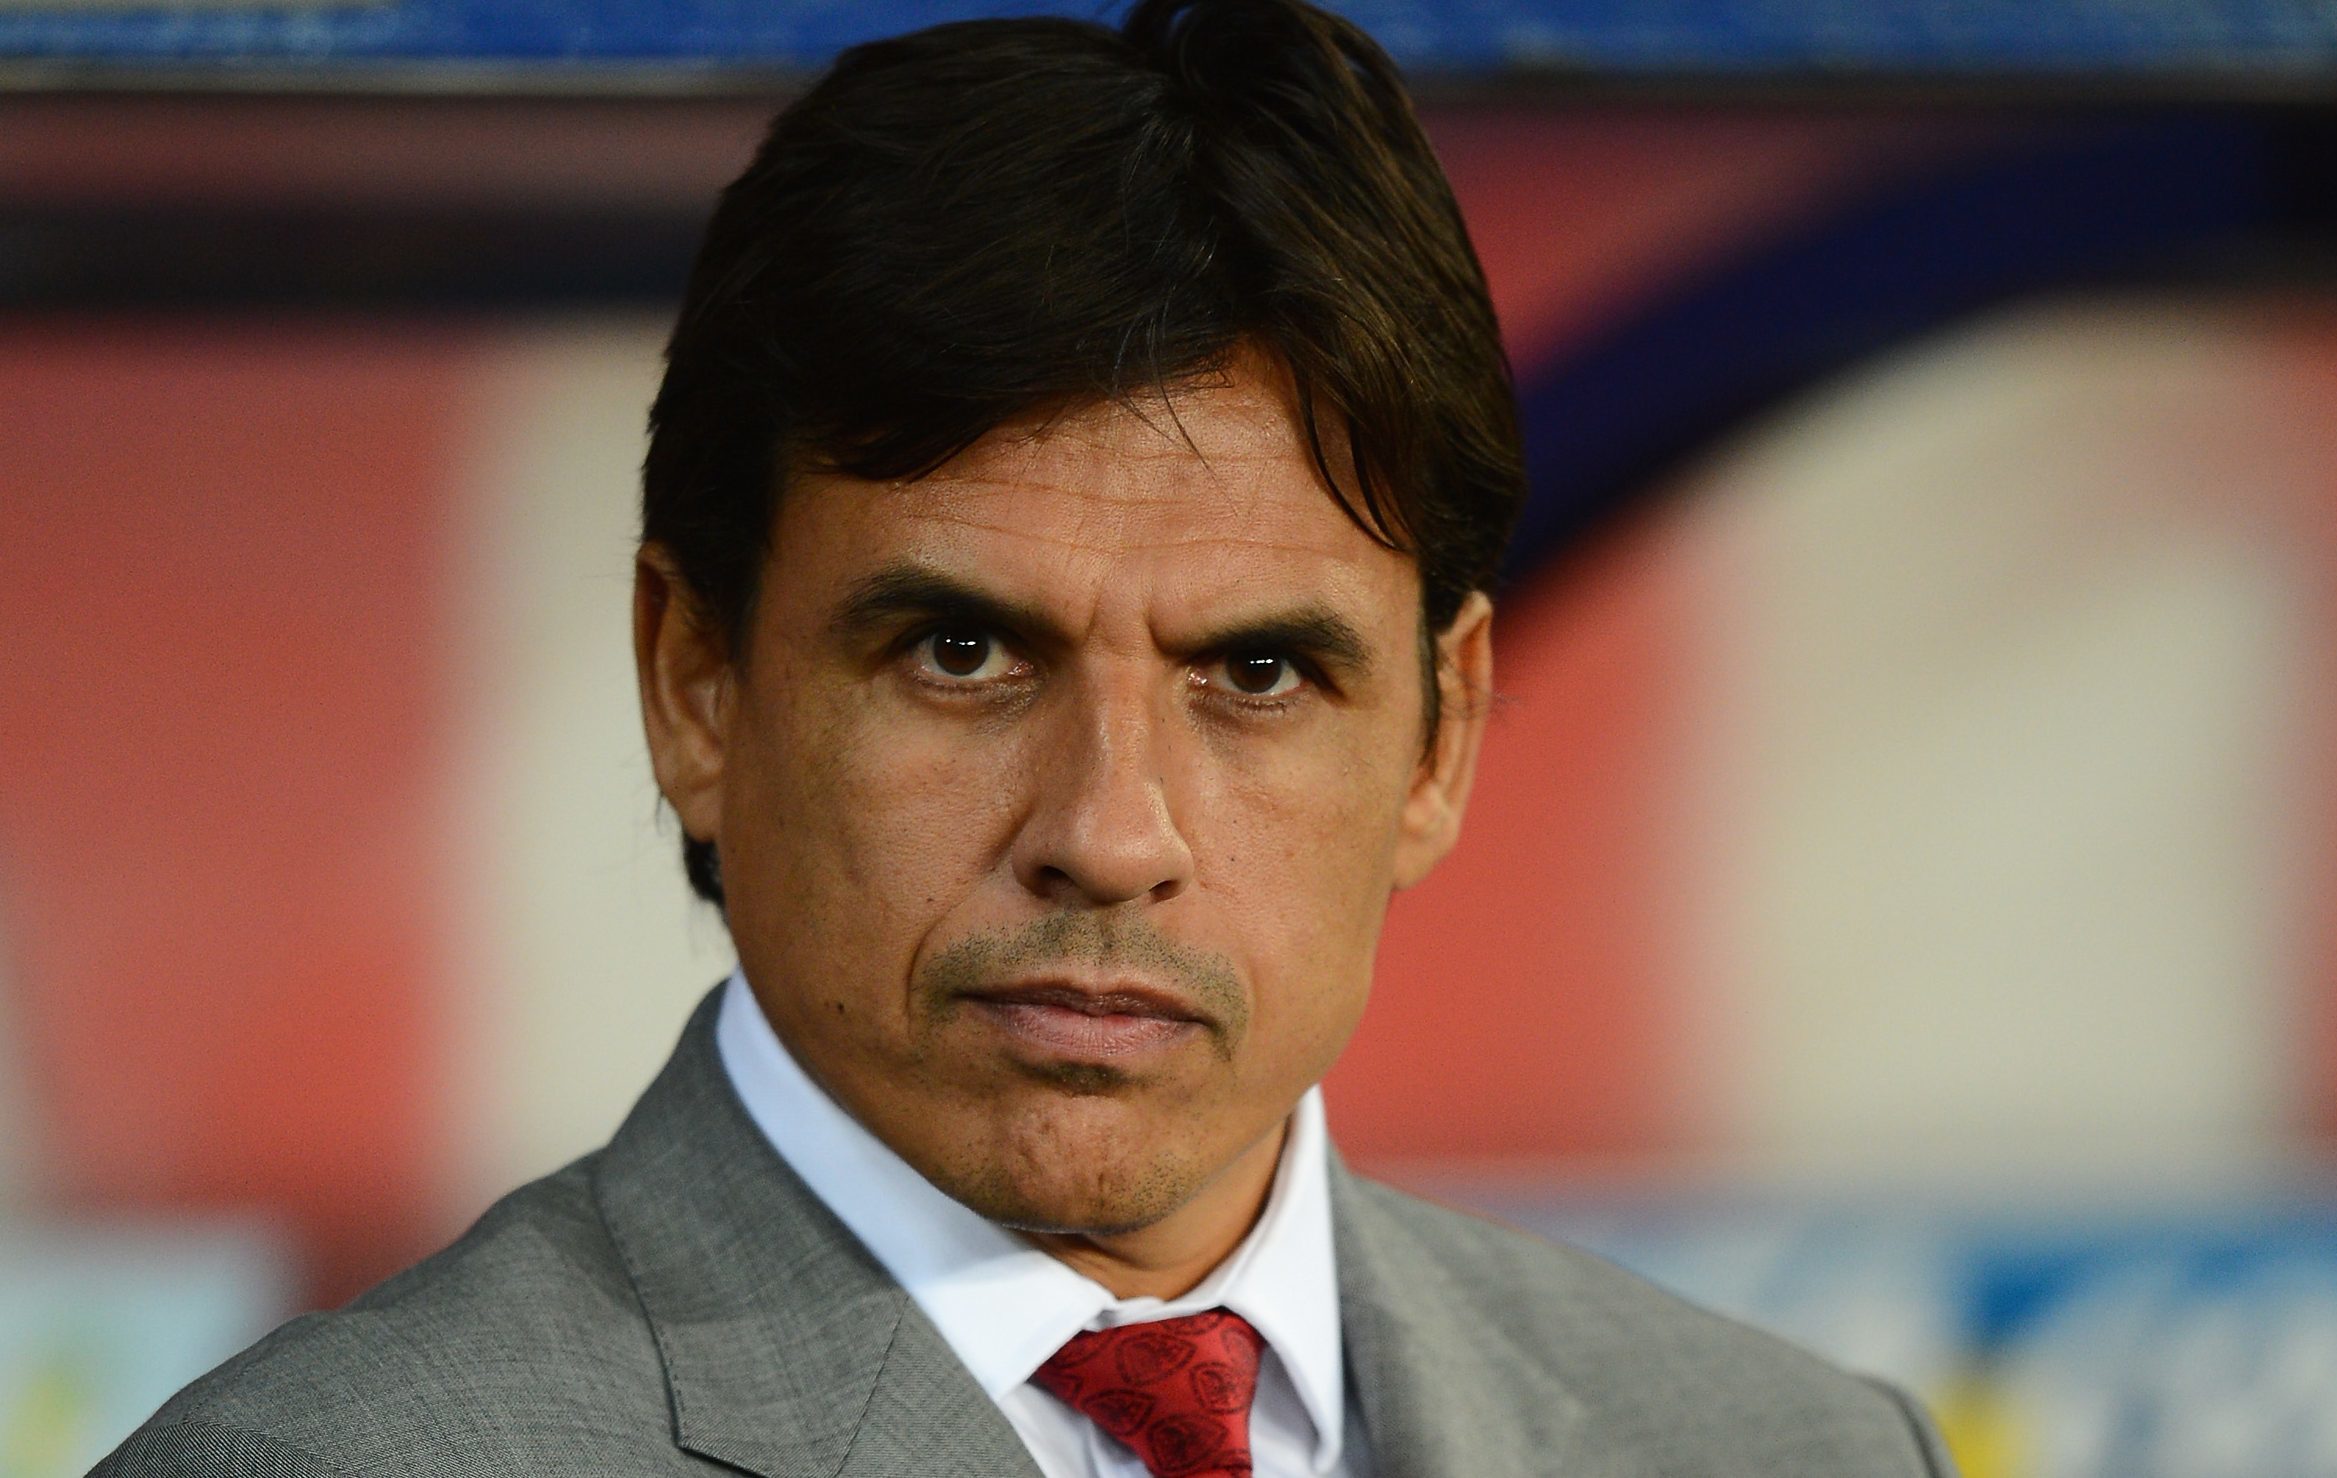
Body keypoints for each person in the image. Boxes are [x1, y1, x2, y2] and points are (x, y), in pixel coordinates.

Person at [98, 2, 1957, 1474]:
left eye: (1256, 676)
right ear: (696, 680)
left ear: (1436, 737)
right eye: (966, 649)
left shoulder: (1786, 1451)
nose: (1109, 828)